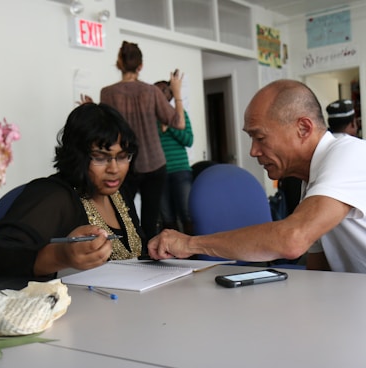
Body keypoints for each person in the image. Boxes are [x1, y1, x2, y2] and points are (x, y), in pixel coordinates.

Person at [148, 79, 366, 273]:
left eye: (260, 137)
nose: (253, 151)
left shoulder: (348, 155)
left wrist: (190, 244)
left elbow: (292, 239)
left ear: (303, 128)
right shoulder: (311, 180)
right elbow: (320, 269)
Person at [0, 103, 146, 277]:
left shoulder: (117, 193)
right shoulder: (53, 196)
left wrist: (159, 248)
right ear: (77, 156)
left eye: (123, 157)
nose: (114, 169)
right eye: (101, 158)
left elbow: (133, 252)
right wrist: (59, 256)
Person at [82, 41, 186, 240]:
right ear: (141, 66)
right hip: (155, 164)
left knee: (126, 220)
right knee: (151, 221)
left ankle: (134, 261)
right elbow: (179, 123)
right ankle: (150, 261)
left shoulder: (108, 93)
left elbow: (106, 128)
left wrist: (91, 108)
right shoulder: (152, 91)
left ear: (119, 63)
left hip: (123, 165)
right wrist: (177, 92)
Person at [154, 79, 194, 235]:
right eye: (155, 91)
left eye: (163, 90)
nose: (159, 94)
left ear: (170, 94)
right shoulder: (151, 119)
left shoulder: (180, 114)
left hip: (181, 171)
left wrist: (170, 125)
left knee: (187, 215)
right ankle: (172, 253)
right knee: (167, 218)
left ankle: (193, 253)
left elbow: (188, 140)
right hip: (160, 173)